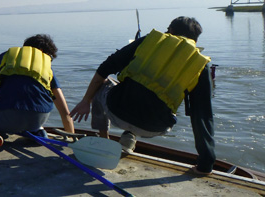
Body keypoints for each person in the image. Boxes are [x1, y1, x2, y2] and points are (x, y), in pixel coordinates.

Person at [69, 16, 215, 175]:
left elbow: (104, 68)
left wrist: (86, 100)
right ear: (195, 39)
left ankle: (104, 142)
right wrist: (205, 164)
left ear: (171, 31)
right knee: (161, 100)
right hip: (156, 128)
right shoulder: (201, 65)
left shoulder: (151, 41)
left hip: (117, 113)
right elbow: (203, 115)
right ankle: (130, 136)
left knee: (105, 83)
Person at [0, 34, 75, 157]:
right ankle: (39, 133)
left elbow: (4, 90)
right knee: (27, 117)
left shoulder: (4, 58)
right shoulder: (48, 71)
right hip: (38, 118)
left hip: (9, 114)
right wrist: (71, 139)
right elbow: (65, 112)